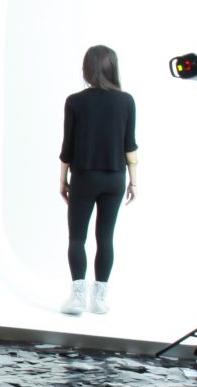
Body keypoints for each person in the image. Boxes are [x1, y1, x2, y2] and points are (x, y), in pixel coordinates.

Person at [58, 44, 138, 316]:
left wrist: (62, 179)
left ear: (87, 68)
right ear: (112, 68)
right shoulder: (126, 101)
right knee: (106, 238)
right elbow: (130, 145)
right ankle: (100, 299)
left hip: (84, 177)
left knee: (77, 237)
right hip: (115, 178)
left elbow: (67, 146)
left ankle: (78, 298)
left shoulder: (75, 101)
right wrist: (134, 181)